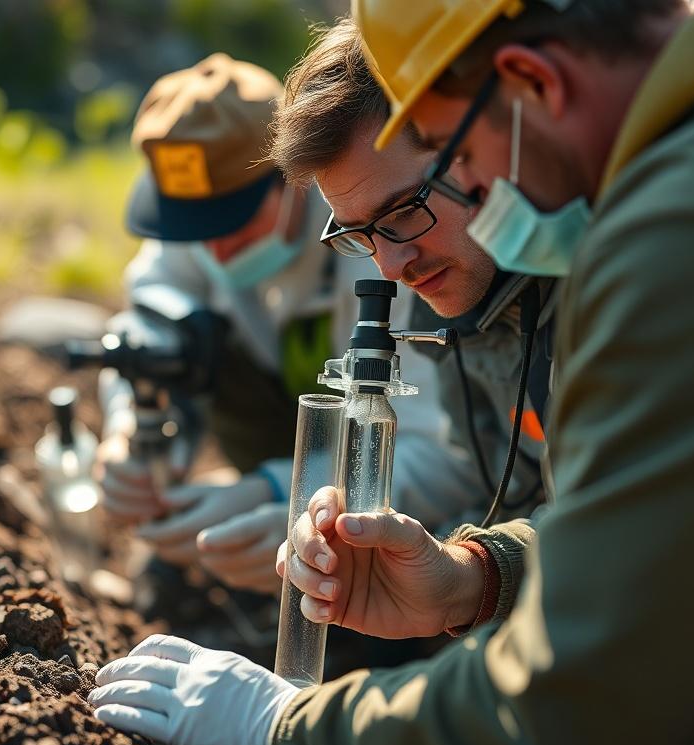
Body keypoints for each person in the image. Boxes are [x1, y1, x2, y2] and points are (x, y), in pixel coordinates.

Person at [87, 1, 694, 745]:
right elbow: (681, 528)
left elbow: (579, 703)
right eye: (360, 236)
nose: (482, 189)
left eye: (450, 156)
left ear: (532, 84)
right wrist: (480, 577)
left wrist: (282, 734)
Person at [98, 52, 454, 596]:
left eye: (234, 223)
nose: (215, 250)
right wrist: (129, 430)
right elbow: (144, 331)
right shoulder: (197, 239)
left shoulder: (381, 243)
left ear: (293, 179)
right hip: (275, 419)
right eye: (198, 226)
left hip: (370, 451)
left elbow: (438, 452)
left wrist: (283, 494)